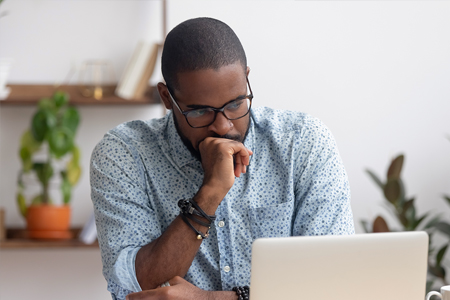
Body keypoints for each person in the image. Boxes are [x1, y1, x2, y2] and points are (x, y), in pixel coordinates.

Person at [90, 17, 354, 300]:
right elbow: (135, 289)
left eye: (235, 103)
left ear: (247, 78)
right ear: (167, 98)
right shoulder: (125, 153)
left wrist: (211, 299)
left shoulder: (303, 143)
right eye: (200, 111)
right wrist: (210, 192)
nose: (223, 126)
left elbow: (333, 281)